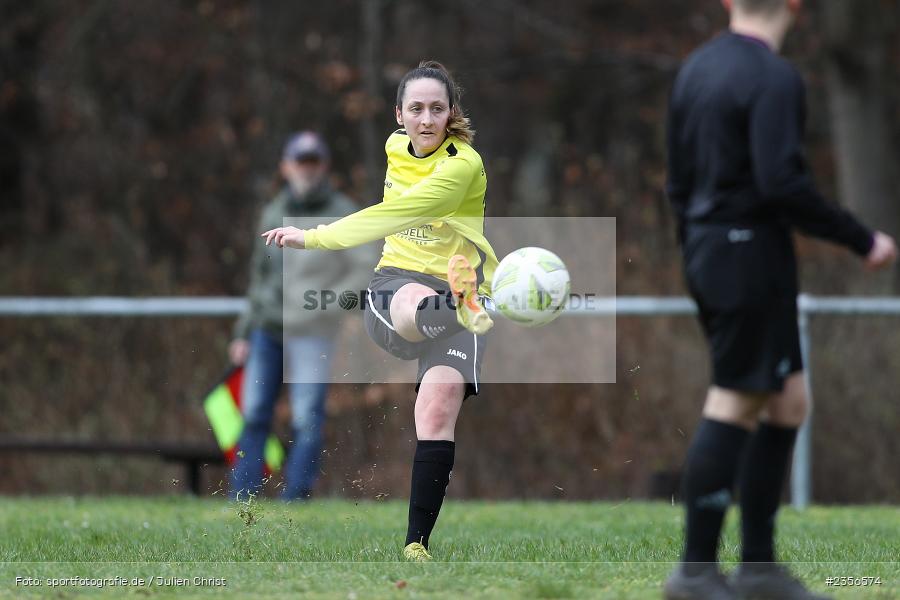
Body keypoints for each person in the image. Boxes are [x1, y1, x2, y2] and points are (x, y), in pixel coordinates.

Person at [663, 1, 897, 599]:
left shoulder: (696, 69)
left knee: (788, 399)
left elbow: (677, 184)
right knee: (738, 395)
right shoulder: (774, 77)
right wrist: (861, 238)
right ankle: (693, 571)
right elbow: (782, 183)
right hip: (746, 257)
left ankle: (760, 568)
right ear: (794, 4)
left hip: (715, 252)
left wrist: (697, 249)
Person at [262, 61, 499, 561]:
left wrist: (314, 236)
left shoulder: (464, 164)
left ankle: (417, 545)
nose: (427, 118)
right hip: (397, 287)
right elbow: (390, 219)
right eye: (416, 109)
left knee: (436, 409)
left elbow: (399, 212)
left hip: (458, 288)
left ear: (451, 113)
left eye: (437, 108)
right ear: (400, 115)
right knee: (415, 302)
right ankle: (458, 308)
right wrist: (316, 237)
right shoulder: (395, 148)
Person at [229, 131, 374, 502]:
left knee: (307, 420)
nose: (306, 170)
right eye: (299, 163)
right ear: (285, 167)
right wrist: (243, 332)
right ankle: (242, 497)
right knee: (254, 414)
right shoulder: (272, 211)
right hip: (267, 331)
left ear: (324, 167)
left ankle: (295, 498)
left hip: (313, 333)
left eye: (313, 163)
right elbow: (258, 280)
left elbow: (363, 269)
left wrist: (328, 305)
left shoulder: (342, 212)